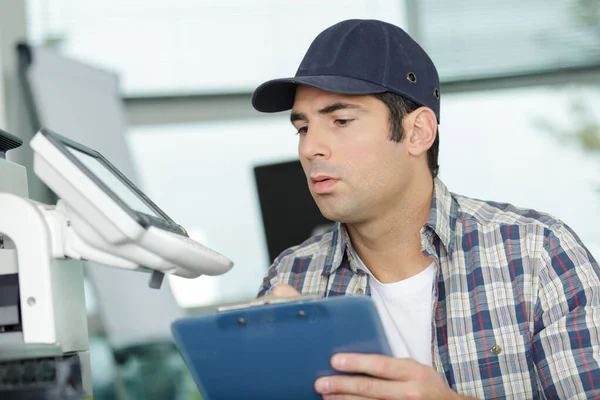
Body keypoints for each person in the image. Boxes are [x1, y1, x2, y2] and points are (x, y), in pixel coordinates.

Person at [251, 19, 600, 400]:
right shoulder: (291, 276)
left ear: (418, 133)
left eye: (341, 121)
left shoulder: (536, 254)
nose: (309, 148)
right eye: (302, 128)